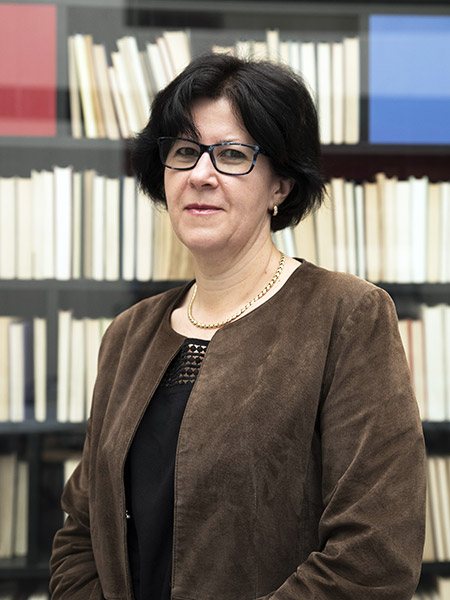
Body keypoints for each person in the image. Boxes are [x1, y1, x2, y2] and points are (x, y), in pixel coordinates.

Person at [50, 53, 426, 600]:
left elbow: (374, 556)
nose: (201, 175)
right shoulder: (129, 334)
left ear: (281, 186)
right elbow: (81, 533)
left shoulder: (347, 316)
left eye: (232, 155)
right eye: (184, 152)